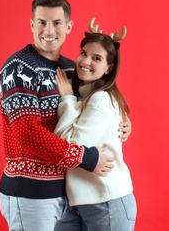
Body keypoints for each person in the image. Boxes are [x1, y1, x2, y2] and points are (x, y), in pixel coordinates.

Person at [0, 0, 132, 231]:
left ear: (68, 26)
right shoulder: (17, 68)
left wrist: (122, 121)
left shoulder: (72, 68)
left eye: (57, 22)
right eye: (41, 22)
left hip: (69, 196)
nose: (49, 30)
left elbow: (93, 106)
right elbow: (27, 134)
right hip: (31, 193)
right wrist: (87, 158)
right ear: (32, 24)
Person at [54, 26, 137, 230]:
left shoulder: (99, 98)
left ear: (109, 68)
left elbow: (70, 147)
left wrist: (66, 99)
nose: (85, 61)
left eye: (97, 58)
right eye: (84, 53)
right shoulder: (88, 94)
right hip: (95, 202)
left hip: (107, 201)